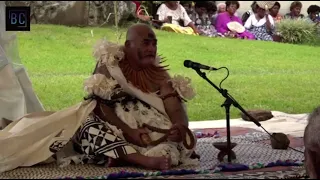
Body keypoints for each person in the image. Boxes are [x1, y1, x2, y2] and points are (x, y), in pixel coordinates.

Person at [0, 24, 199, 173]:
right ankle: (140, 160)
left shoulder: (160, 75)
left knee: (170, 150)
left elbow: (174, 107)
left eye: (154, 43)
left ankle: (124, 156)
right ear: (127, 45)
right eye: (146, 43)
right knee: (85, 125)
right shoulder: (110, 64)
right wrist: (128, 131)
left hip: (152, 135)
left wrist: (179, 127)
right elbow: (98, 104)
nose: (151, 49)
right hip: (117, 129)